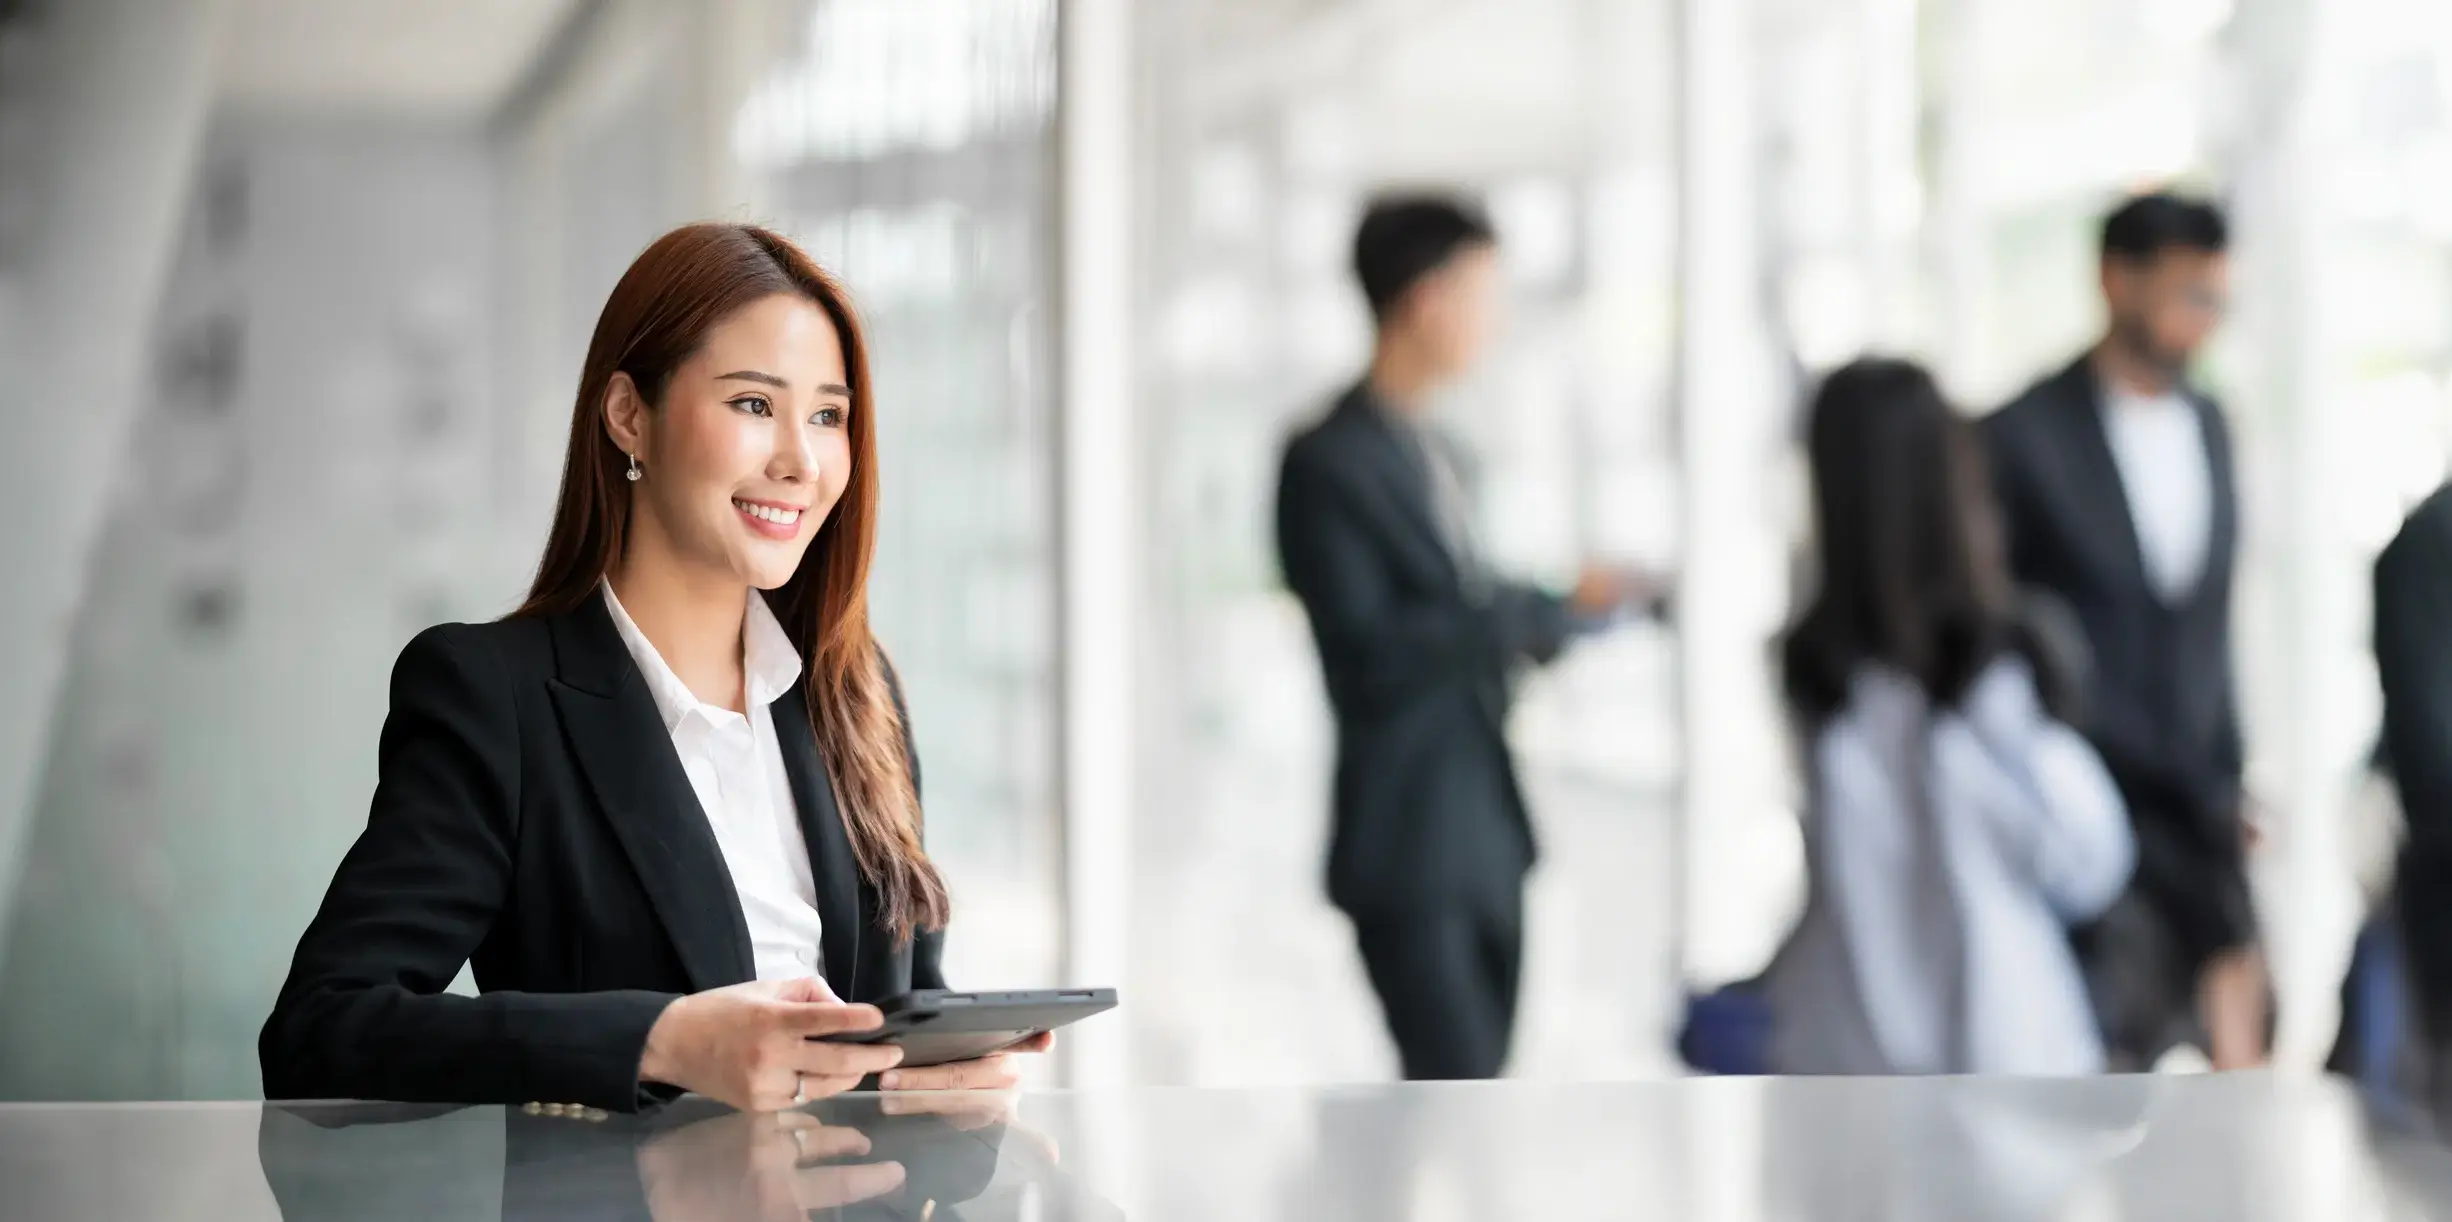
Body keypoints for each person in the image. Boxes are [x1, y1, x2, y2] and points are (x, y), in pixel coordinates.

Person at [259, 223, 1049, 1113]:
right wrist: (663, 1042)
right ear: (630, 414)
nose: (800, 461)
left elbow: (913, 1006)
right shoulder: (497, 698)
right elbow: (322, 1032)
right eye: (755, 404)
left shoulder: (854, 694)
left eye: (828, 416)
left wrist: (963, 1088)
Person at [1273, 194, 1650, 1081]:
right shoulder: (1327, 459)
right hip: (1408, 840)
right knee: (1453, 1100)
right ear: (1426, 300)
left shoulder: (1440, 450)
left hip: (1486, 833)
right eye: (1484, 294)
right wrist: (1539, 609)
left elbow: (1458, 622)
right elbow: (1374, 652)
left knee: (1484, 1108)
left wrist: (1554, 617)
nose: (1496, 320)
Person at [1764, 358, 2134, 1076]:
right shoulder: (1992, 673)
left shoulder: (1831, 681)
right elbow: (2090, 860)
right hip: (1995, 1067)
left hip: (1864, 1064)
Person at [1982, 191, 2266, 1070]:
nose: (2204, 322)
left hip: (2202, 815)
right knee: (2109, 1065)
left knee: (2241, 1045)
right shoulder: (2019, 439)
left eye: (2218, 299)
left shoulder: (2213, 426)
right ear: (2117, 282)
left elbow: (2210, 630)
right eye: (2190, 296)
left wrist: (2231, 777)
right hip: (2090, 813)